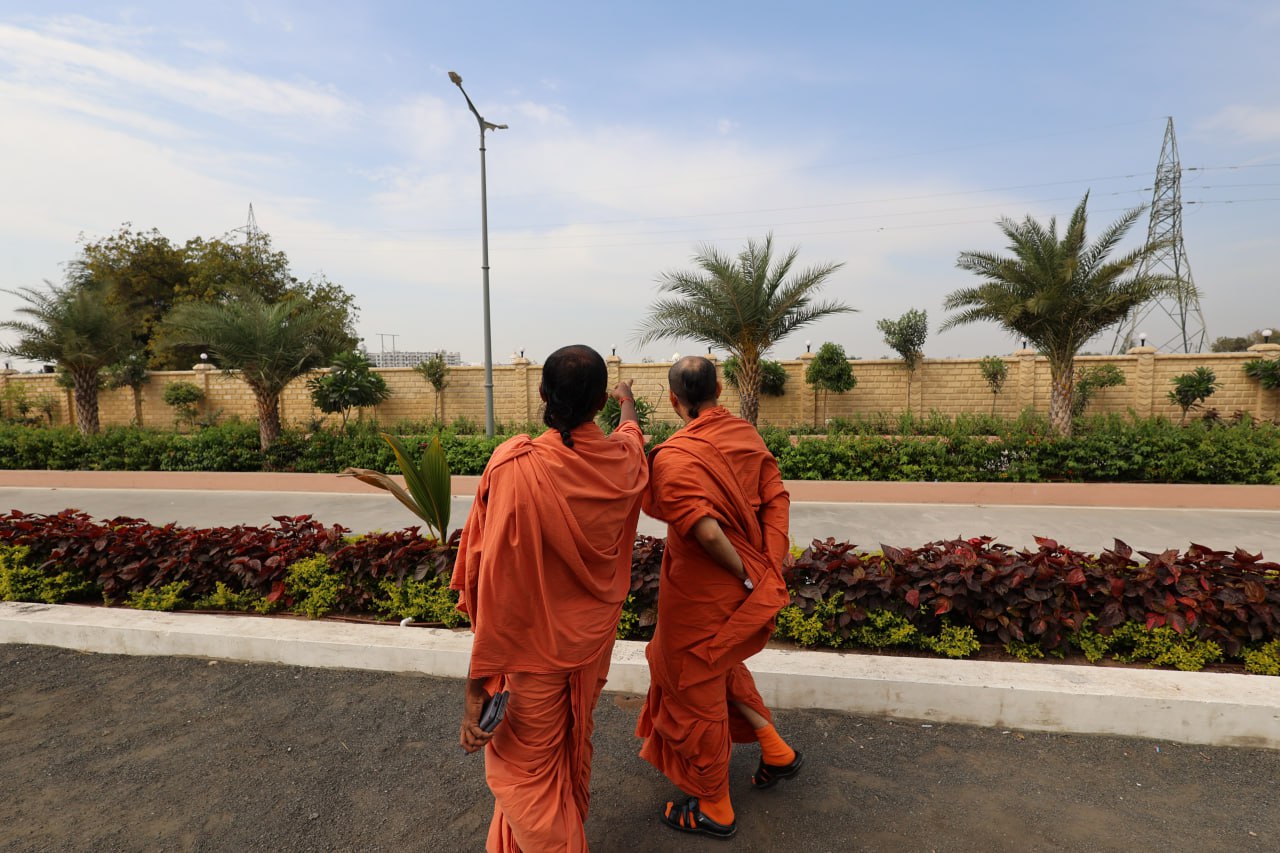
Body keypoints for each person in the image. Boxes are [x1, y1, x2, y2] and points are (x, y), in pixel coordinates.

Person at [452, 345, 648, 852]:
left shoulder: (515, 466)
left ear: (542, 394)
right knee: (560, 751)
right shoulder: (624, 463)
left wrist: (476, 692)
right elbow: (631, 434)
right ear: (601, 401)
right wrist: (628, 403)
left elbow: (497, 590)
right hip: (589, 647)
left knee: (525, 777)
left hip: (532, 657)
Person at [635, 355, 803, 840]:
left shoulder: (673, 456)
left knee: (693, 686)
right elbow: (776, 496)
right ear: (720, 390)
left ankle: (715, 806)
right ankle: (776, 751)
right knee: (722, 666)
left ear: (673, 399)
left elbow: (707, 533)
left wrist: (749, 575)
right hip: (744, 583)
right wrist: (766, 565)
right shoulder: (745, 434)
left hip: (704, 590)